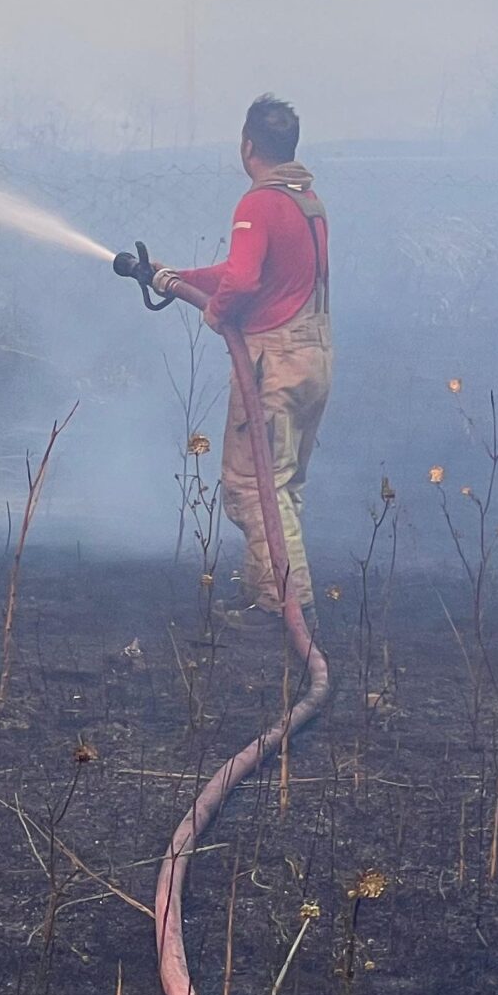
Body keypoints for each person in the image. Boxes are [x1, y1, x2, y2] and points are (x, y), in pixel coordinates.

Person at [149, 96, 331, 618]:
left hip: (273, 362)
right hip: (313, 358)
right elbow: (250, 269)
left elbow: (244, 282)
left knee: (253, 488)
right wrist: (180, 278)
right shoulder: (306, 201)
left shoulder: (257, 203)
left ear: (248, 145)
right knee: (282, 485)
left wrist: (216, 311)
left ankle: (284, 607)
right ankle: (266, 597)